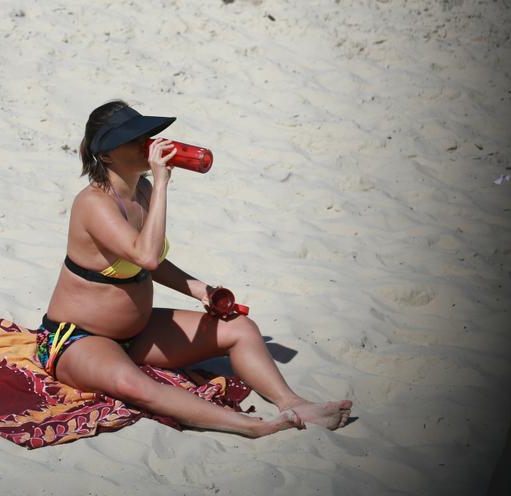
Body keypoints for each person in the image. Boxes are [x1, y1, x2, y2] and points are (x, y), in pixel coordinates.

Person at [37, 100, 353, 437]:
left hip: (137, 335)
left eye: (147, 135)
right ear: (108, 155)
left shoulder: (141, 190)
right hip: (78, 338)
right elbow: (146, 257)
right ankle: (249, 426)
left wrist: (201, 290)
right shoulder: (93, 204)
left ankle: (293, 402)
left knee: (240, 328)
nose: (148, 144)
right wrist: (161, 184)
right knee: (134, 385)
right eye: (135, 140)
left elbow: (148, 265)